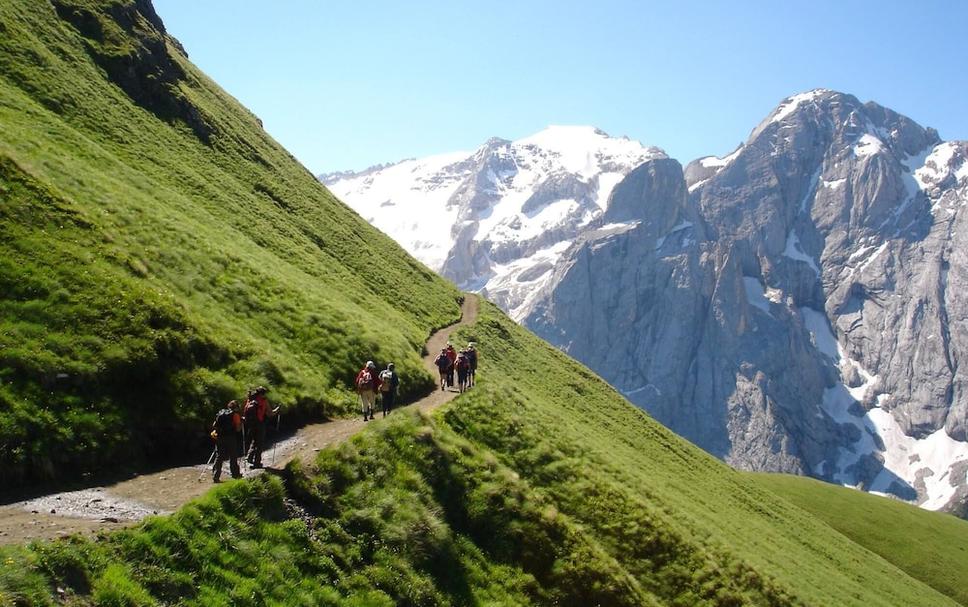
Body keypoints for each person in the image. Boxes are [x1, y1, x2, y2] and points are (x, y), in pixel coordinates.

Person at [244, 386, 278, 468]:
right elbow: (270, 413)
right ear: (263, 393)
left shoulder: (250, 399)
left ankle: (249, 457)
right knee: (259, 443)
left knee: (254, 441)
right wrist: (277, 410)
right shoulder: (263, 401)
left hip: (250, 425)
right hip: (260, 424)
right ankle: (257, 463)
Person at [212, 400, 243, 482]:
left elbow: (214, 425)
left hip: (220, 437)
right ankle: (235, 474)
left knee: (219, 456)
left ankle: (215, 476)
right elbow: (238, 429)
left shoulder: (221, 413)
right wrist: (241, 423)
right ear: (236, 407)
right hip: (230, 438)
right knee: (233, 456)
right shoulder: (235, 415)